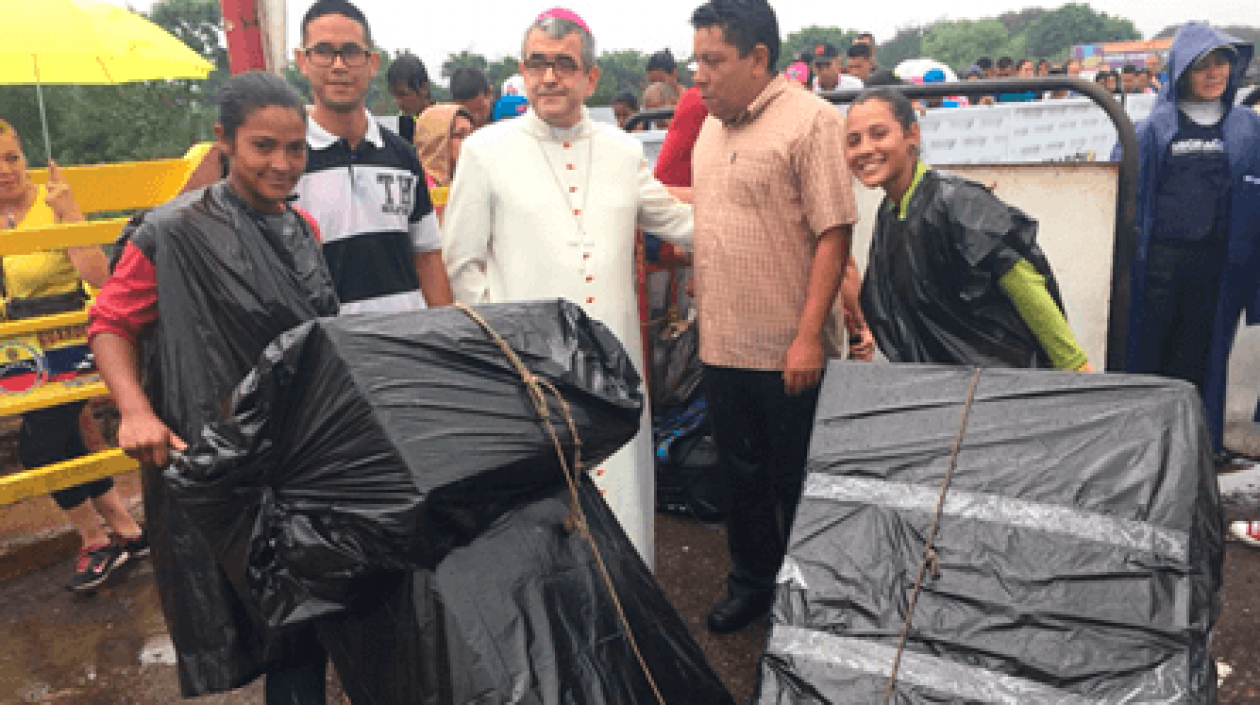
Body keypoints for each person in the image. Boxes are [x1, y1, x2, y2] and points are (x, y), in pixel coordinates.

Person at [89, 71, 341, 701]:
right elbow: (111, 323)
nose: (282, 164)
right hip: (218, 455)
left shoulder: (303, 229)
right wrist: (134, 410)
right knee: (263, 614)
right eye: (264, 146)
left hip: (298, 453)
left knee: (307, 620)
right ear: (224, 140)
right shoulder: (172, 233)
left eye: (295, 148)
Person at [442, 7, 694, 567]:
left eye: (564, 65)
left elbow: (676, 221)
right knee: (546, 512)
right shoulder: (486, 151)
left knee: (622, 495)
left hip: (614, 362)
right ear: (522, 72)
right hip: (531, 368)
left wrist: (769, 226)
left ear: (590, 78)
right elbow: (463, 265)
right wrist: (506, 352)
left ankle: (631, 618)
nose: (550, 77)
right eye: (538, 64)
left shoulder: (622, 149)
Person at [689, 0, 857, 634]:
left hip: (790, 348)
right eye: (696, 61)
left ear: (758, 59)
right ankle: (753, 583)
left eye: (713, 61)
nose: (698, 76)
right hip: (722, 343)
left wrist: (809, 336)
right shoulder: (711, 126)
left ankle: (814, 599)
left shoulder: (810, 121)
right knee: (741, 477)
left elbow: (832, 234)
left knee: (799, 480)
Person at [845, 88, 1092, 372]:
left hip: (1000, 381)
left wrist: (1076, 367)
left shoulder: (959, 202)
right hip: (943, 385)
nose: (865, 149)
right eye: (854, 140)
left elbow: (1024, 285)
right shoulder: (890, 213)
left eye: (879, 134)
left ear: (912, 135)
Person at [0, 119, 147, 593]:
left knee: (37, 448)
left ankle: (94, 540)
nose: (5, 171)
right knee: (65, 443)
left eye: (12, 158)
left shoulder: (52, 202)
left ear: (25, 158)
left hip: (68, 339)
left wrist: (71, 215)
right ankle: (125, 529)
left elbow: (99, 275)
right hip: (24, 348)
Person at [1122, 23, 1260, 462]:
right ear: (1181, 70)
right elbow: (1123, 198)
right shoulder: (1152, 128)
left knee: (1206, 359)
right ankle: (1144, 448)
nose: (1214, 72)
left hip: (1220, 271)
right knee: (1149, 355)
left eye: (1221, 62)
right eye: (1203, 64)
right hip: (1158, 268)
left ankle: (1198, 450)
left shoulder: (1247, 127)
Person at [293, 0, 453, 315]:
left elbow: (427, 256)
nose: (338, 66)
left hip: (408, 345)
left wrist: (450, 336)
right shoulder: (285, 164)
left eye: (351, 52)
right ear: (303, 61)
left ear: (372, 62)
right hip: (328, 352)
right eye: (324, 51)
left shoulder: (404, 157)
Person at [413, 103, 474, 220]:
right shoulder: (415, 186)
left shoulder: (474, 179)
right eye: (460, 135)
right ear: (436, 140)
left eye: (471, 134)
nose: (470, 142)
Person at [385, 51, 432, 142]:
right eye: (394, 95)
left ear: (424, 88)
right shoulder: (404, 122)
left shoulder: (444, 122)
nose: (397, 101)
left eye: (403, 94)